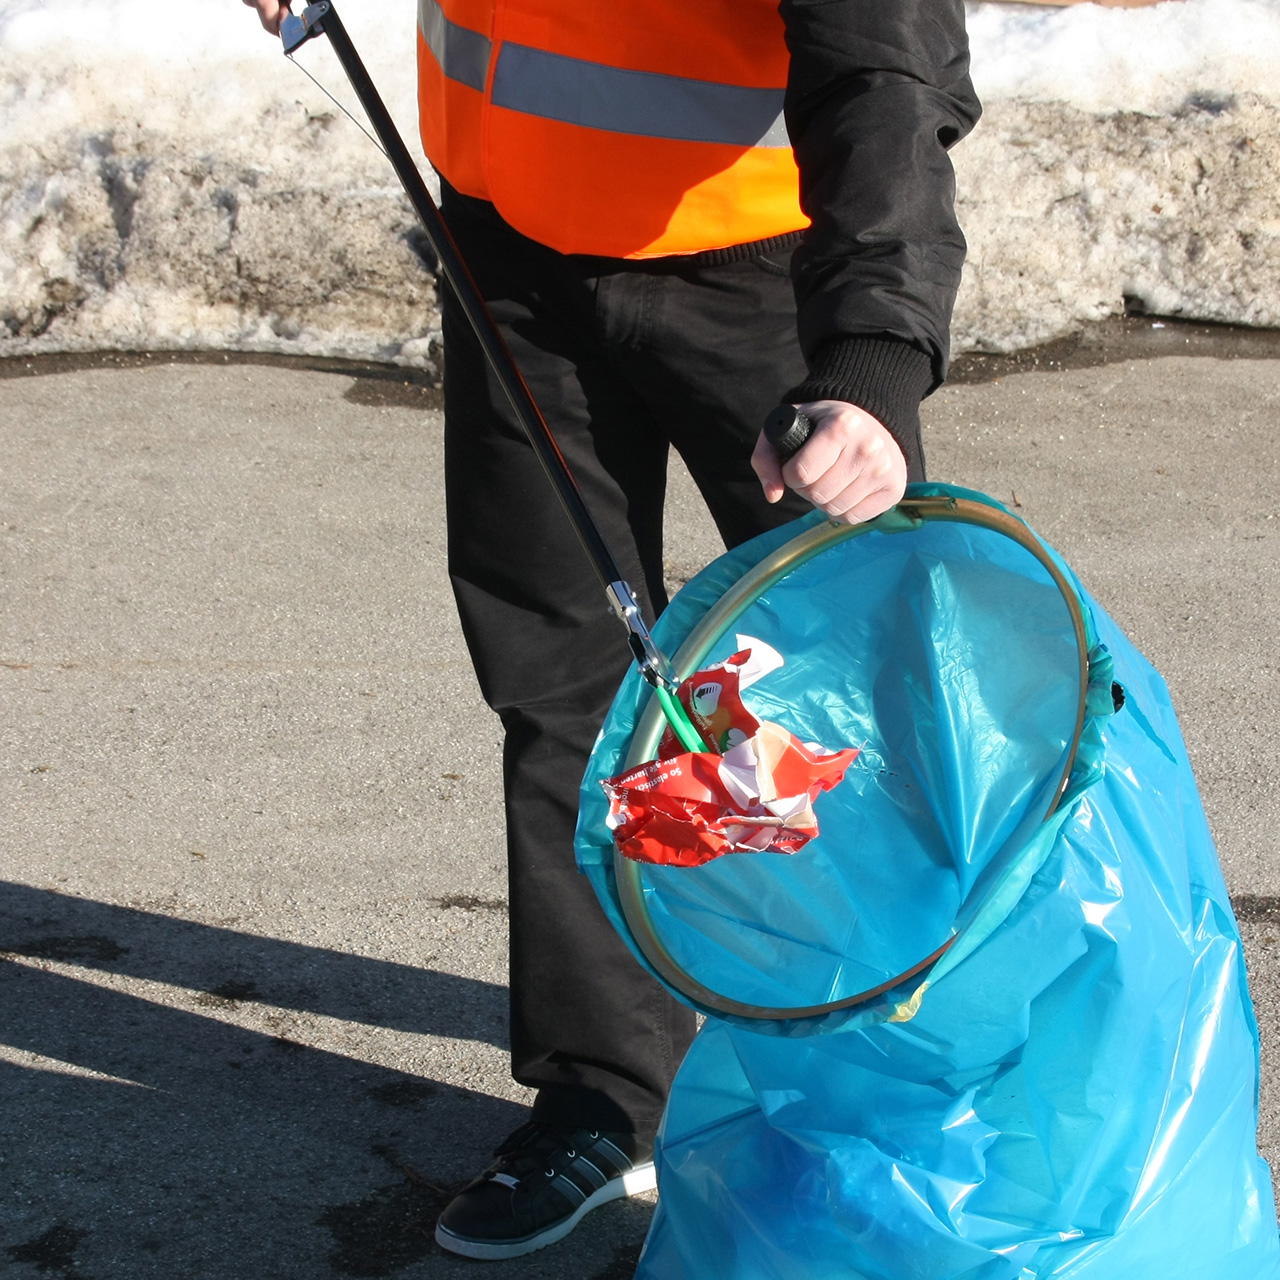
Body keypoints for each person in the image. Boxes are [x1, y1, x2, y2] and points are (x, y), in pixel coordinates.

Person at [245, 0, 980, 1262]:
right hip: (507, 249)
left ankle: (910, 1086)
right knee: (559, 682)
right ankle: (602, 1090)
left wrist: (867, 354)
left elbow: (886, 70)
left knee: (848, 691)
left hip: (759, 276)